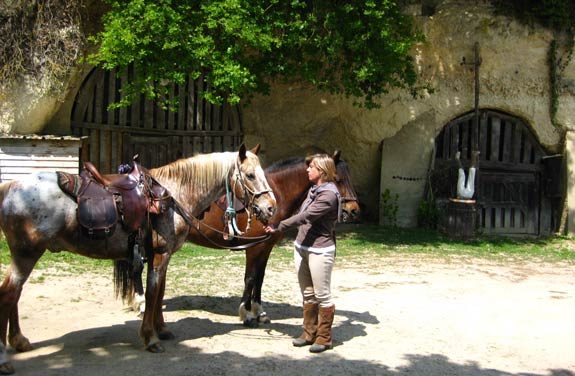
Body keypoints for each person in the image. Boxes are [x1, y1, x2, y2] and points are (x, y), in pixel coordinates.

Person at [264, 153, 341, 353]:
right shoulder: (314, 189)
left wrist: (279, 225)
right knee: (307, 293)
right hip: (302, 247)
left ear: (322, 171)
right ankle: (309, 332)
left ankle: (324, 338)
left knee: (322, 295)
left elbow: (306, 215)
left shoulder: (329, 194)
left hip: (320, 250)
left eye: (311, 167)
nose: (307, 169)